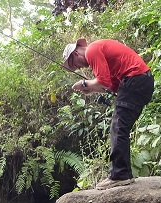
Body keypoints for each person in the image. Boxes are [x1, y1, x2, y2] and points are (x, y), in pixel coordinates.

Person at [62, 39, 154, 190]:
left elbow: (103, 82)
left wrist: (84, 84)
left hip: (135, 79)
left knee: (118, 127)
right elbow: (110, 85)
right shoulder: (99, 50)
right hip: (142, 81)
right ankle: (121, 174)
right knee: (120, 127)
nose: (78, 68)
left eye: (74, 64)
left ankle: (120, 175)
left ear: (76, 53)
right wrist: (91, 88)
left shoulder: (92, 50)